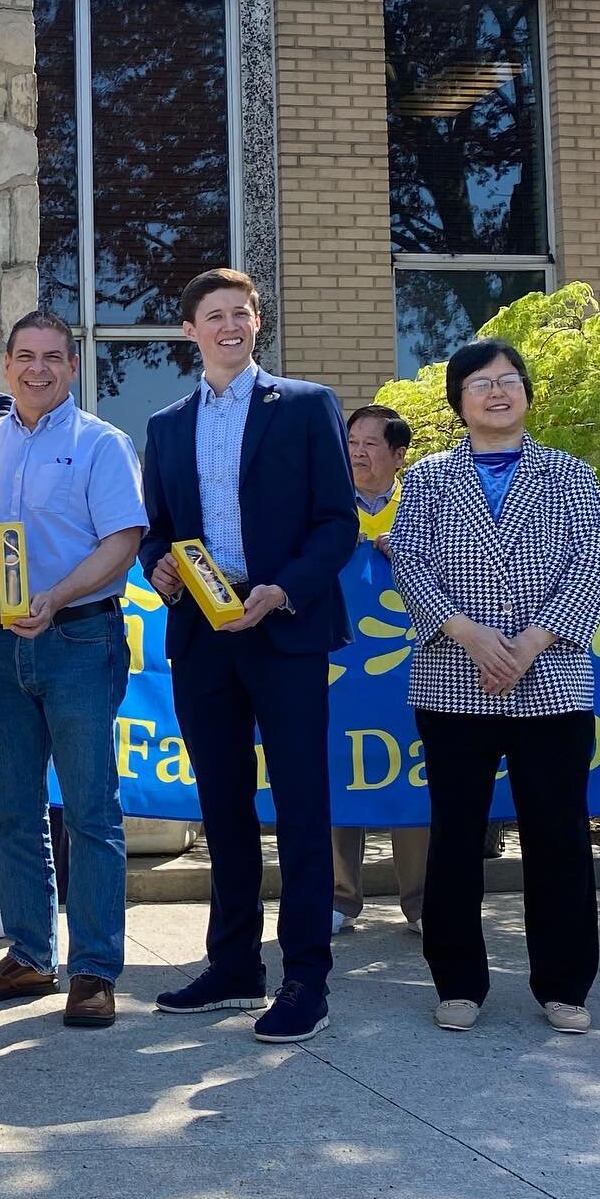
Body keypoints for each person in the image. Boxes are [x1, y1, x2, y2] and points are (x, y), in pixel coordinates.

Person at [139, 268, 357, 1043]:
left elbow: (338, 523)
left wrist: (282, 589)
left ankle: (305, 977)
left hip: (284, 628)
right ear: (189, 331)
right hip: (202, 637)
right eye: (212, 316)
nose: (228, 325)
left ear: (256, 322)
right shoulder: (165, 425)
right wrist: (158, 567)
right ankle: (234, 967)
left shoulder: (304, 406)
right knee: (223, 809)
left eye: (241, 313)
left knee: (300, 807)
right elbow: (156, 533)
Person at [389, 340, 600, 1035]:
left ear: (526, 394)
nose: (496, 393)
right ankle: (458, 982)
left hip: (551, 678)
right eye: (481, 383)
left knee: (559, 836)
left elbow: (590, 568)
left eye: (509, 381)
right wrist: (470, 635)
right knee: (455, 836)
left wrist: (531, 642)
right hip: (455, 679)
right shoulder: (427, 478)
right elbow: (411, 564)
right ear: (459, 401)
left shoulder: (571, 473)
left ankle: (565, 985)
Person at [0, 311, 146, 1028]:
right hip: (3, 644)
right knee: (12, 808)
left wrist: (56, 596)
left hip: (79, 639)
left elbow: (123, 541)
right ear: (6, 366)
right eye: (25, 357)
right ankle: (31, 954)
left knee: (91, 810)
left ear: (71, 367)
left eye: (53, 358)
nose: (38, 369)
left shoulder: (101, 444)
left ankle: (95, 970)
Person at [0, 388, 70, 940]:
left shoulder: (86, 448)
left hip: (67, 632)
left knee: (76, 792)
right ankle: (9, 908)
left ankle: (64, 925)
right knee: (2, 793)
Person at [331, 404, 429, 937]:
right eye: (352, 444)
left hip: (414, 667)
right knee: (339, 768)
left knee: (414, 772)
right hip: (340, 668)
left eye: (371, 445)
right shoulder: (324, 504)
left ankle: (421, 901)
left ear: (397, 454)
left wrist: (411, 550)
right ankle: (340, 898)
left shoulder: (423, 503)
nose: (359, 453)